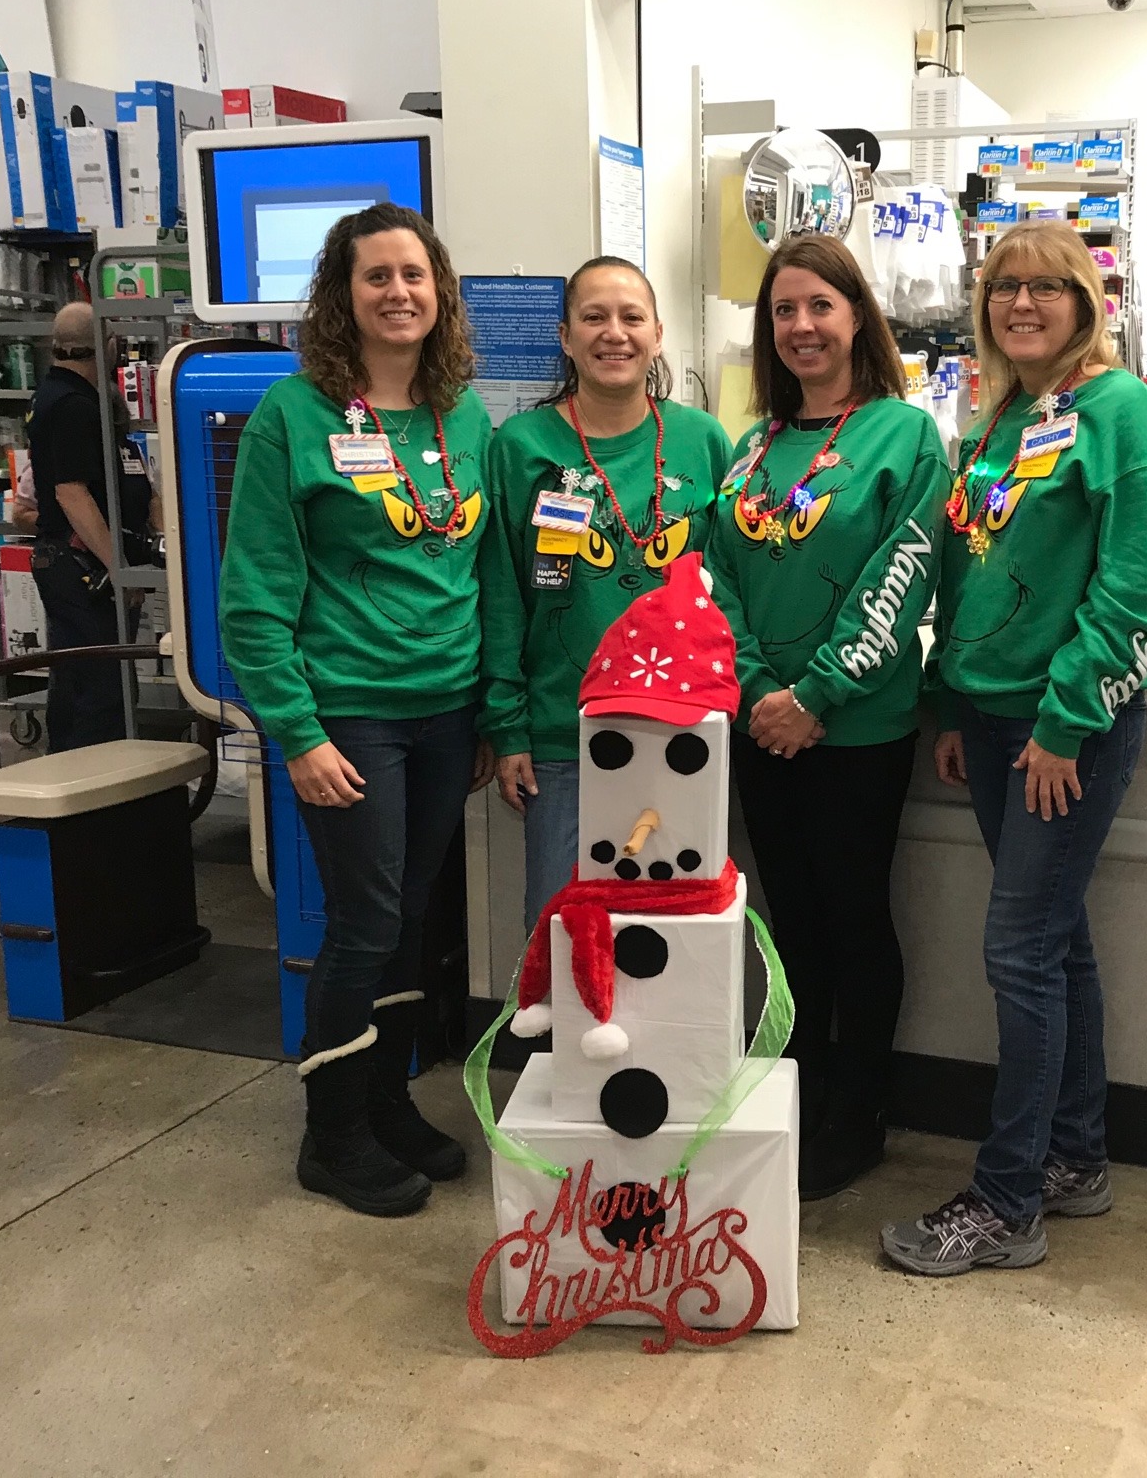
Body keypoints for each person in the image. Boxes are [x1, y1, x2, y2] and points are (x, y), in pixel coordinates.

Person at [881, 219, 1147, 1276]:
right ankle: (1074, 1156)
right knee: (1056, 946)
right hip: (988, 718)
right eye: (1003, 287)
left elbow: (1137, 585)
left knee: (1018, 953)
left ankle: (1007, 1204)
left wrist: (1065, 723)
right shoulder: (1006, 415)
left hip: (1064, 731)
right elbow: (967, 569)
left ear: (1085, 303)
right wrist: (948, 700)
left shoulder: (1122, 412)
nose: (1020, 303)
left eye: (1045, 287)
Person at [220, 202, 495, 1219]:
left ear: (440, 292)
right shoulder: (293, 417)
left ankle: (387, 1103)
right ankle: (331, 1136)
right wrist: (295, 732)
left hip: (445, 710)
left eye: (413, 275)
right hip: (348, 715)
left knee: (412, 918)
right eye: (376, 276)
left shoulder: (462, 416)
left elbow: (480, 572)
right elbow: (253, 593)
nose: (397, 292)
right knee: (364, 921)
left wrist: (486, 712)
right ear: (342, 293)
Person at [706, 235, 949, 1199]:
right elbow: (716, 580)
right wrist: (760, 692)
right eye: (783, 310)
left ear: (857, 317)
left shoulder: (906, 436)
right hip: (762, 726)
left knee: (854, 919)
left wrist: (814, 696)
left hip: (856, 731)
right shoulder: (752, 447)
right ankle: (797, 1097)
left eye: (820, 306)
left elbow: (903, 573)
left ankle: (861, 1115)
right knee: (791, 923)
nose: (801, 326)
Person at [480, 257, 732, 929]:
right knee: (562, 934)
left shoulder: (703, 441)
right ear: (566, 337)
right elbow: (502, 594)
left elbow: (728, 589)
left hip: (685, 729)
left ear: (657, 334)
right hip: (564, 735)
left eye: (631, 317)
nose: (613, 333)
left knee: (674, 935)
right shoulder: (521, 446)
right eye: (594, 317)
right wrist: (508, 727)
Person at [26, 301, 154, 751]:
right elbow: (72, 494)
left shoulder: (57, 396)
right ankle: (96, 786)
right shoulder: (75, 407)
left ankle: (77, 779)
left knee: (82, 685)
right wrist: (118, 566)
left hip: (74, 562)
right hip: (81, 565)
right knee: (100, 695)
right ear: (109, 347)